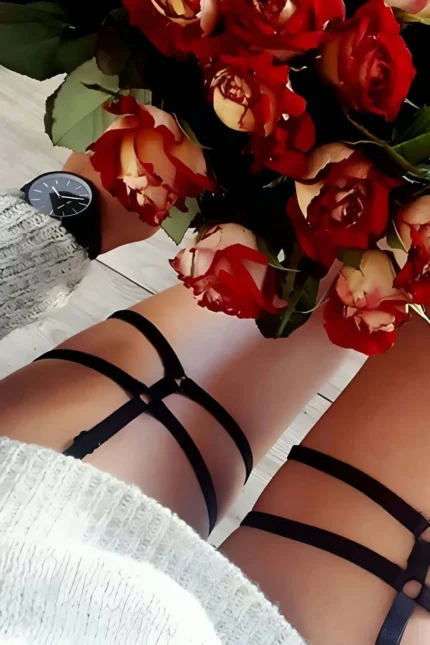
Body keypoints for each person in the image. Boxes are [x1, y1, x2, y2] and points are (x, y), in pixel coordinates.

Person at [0, 153, 429, 645]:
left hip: (36, 509)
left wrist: (68, 215)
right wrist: (62, 218)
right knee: (354, 235)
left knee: (342, 215)